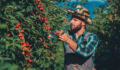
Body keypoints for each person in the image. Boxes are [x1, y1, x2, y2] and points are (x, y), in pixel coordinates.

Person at [58, 5, 99, 70]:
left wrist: (68, 40)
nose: (71, 22)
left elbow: (85, 53)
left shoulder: (92, 37)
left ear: (83, 23)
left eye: (75, 20)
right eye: (71, 19)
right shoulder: (67, 35)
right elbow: (52, 33)